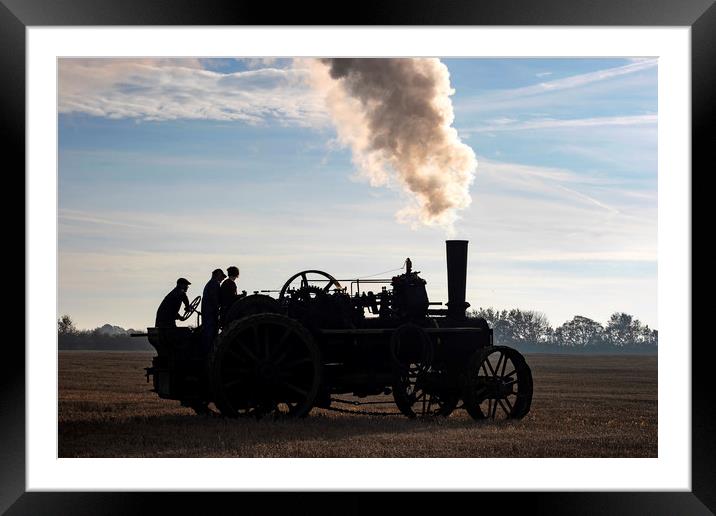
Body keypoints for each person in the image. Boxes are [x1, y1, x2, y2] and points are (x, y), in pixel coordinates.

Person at [201, 268, 226, 353]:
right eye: (222, 277)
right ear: (218, 275)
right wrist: (218, 311)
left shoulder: (210, 284)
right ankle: (209, 353)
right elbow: (214, 299)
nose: (223, 279)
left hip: (208, 313)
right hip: (210, 314)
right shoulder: (214, 284)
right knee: (210, 335)